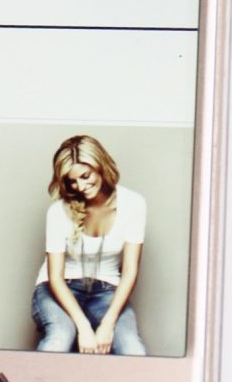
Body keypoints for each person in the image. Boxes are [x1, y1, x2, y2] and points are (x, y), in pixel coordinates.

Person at [31, 134, 146, 355]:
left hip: (107, 291)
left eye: (86, 176)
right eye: (72, 181)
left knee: (132, 348)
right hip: (59, 289)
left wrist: (108, 324)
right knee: (60, 338)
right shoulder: (58, 211)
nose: (81, 186)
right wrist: (83, 328)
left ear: (100, 165)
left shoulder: (133, 204)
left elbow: (130, 270)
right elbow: (55, 277)